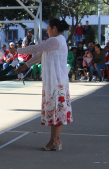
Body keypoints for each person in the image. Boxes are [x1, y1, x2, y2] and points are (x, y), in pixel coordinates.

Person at [16, 18, 73, 151]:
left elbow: (36, 48)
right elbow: (40, 54)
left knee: (55, 110)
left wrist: (18, 51)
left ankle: (54, 140)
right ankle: (56, 140)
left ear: (54, 28)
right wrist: (25, 66)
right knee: (58, 111)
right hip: (59, 81)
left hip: (55, 81)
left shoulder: (55, 40)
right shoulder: (59, 40)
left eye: (48, 28)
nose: (47, 31)